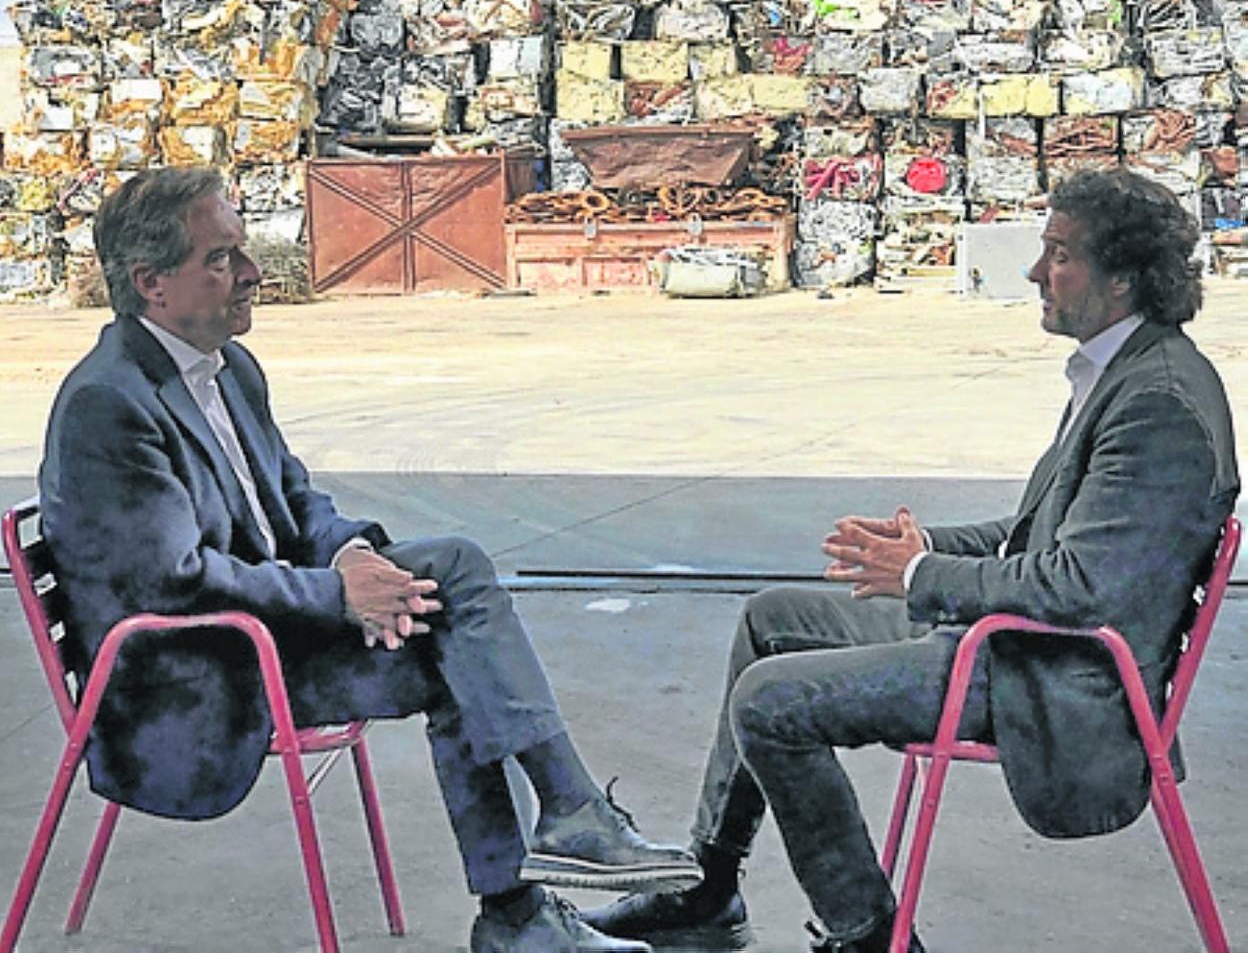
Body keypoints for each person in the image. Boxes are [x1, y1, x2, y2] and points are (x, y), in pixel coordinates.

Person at [37, 167, 700, 953]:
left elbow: (293, 500)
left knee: (451, 593)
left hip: (259, 633)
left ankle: (540, 871)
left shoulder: (229, 369)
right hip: (190, 675)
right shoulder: (108, 403)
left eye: (241, 251)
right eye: (221, 259)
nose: (251, 273)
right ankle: (544, 864)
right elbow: (171, 582)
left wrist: (353, 557)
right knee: (457, 636)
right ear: (152, 284)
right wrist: (338, 595)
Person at [583, 167, 1239, 953]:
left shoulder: (1158, 403)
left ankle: (865, 934)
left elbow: (1081, 589)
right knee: (771, 620)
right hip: (1021, 649)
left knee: (769, 702)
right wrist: (926, 548)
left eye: (1060, 255)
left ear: (1124, 278)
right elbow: (1043, 532)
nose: (1035, 272)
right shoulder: (1126, 370)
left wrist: (922, 578)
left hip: (1054, 682)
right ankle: (710, 887)